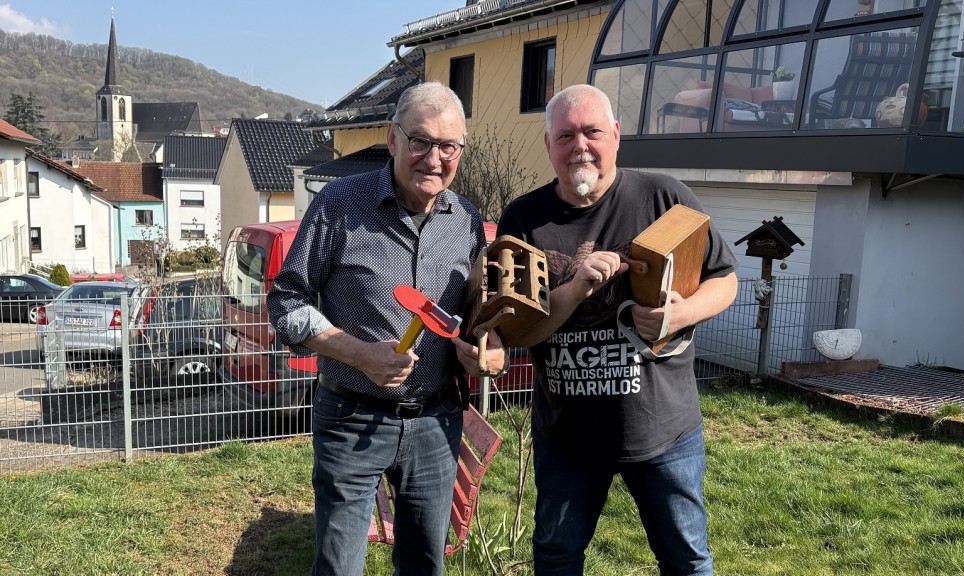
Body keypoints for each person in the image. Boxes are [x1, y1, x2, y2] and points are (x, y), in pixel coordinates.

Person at [496, 84, 738, 575]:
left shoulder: (665, 197)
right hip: (567, 434)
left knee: (686, 559)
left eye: (592, 132)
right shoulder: (523, 219)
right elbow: (519, 332)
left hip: (663, 429)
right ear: (548, 144)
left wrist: (680, 315)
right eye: (565, 136)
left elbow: (725, 279)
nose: (580, 146)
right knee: (557, 558)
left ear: (616, 135)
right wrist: (575, 290)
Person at [267, 81, 506, 576]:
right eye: (420, 141)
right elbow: (287, 302)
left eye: (448, 146)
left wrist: (485, 347)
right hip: (351, 418)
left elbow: (472, 313)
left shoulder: (466, 220)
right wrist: (358, 353)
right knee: (338, 566)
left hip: (437, 421)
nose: (433, 159)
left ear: (461, 151)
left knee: (425, 565)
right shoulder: (339, 204)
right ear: (393, 139)